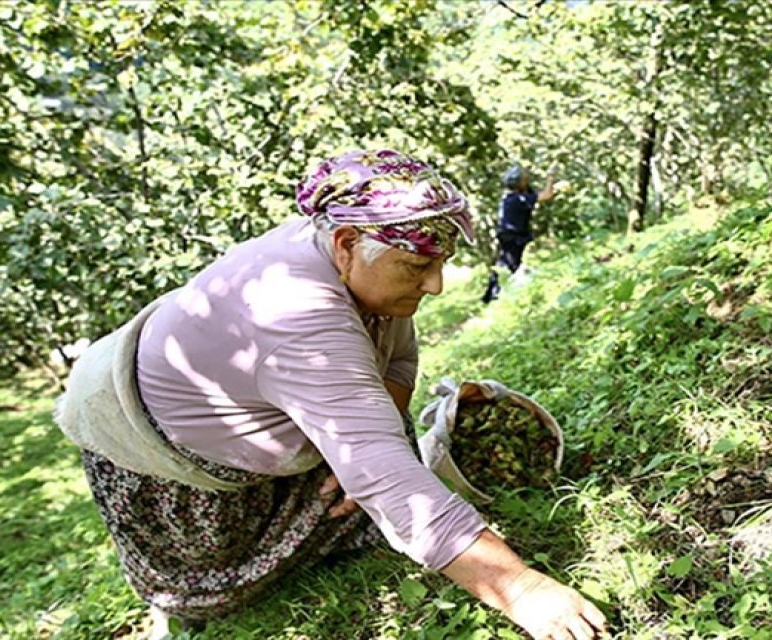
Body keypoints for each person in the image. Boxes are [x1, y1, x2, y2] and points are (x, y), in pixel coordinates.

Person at [55, 149, 608, 640]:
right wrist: (521, 589)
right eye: (418, 266)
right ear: (345, 246)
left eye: (441, 264)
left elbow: (400, 360)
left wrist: (364, 453)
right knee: (213, 587)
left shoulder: (354, 255)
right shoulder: (297, 315)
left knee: (356, 497)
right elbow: (384, 475)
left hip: (254, 418)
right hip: (149, 438)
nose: (436, 285)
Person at [482, 163, 558, 304]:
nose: (526, 181)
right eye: (523, 179)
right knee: (508, 266)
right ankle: (495, 296)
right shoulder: (518, 199)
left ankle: (491, 296)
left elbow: (534, 193)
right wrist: (551, 178)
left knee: (505, 264)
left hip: (511, 236)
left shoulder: (514, 197)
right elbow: (546, 195)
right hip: (513, 237)